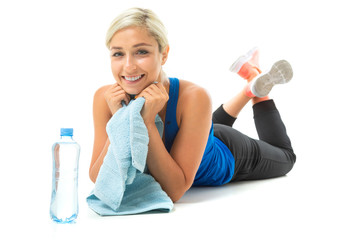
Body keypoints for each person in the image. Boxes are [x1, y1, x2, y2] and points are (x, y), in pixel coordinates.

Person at [89, 7, 296, 202]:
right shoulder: (106, 98)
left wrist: (148, 122)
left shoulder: (194, 97)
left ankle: (257, 89)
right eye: (118, 54)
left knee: (286, 158)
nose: (128, 66)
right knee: (202, 126)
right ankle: (250, 83)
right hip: (198, 134)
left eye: (141, 52)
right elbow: (99, 179)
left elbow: (174, 190)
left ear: (164, 54)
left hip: (226, 152)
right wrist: (119, 120)